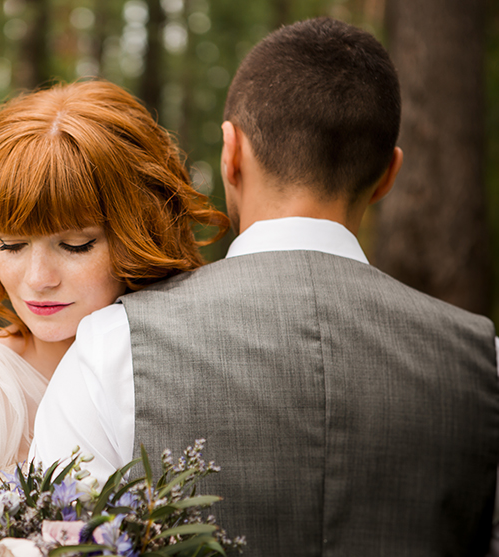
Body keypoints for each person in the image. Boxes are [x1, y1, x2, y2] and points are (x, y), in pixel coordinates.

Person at [32, 17, 499, 556]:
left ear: (231, 153)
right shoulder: (483, 364)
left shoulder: (114, 346)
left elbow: (54, 540)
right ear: (388, 174)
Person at [0, 79, 229, 556]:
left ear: (142, 230)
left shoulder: (179, 373)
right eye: (11, 244)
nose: (37, 278)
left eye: (75, 245)